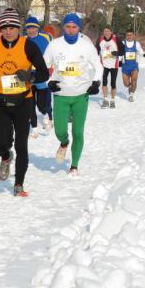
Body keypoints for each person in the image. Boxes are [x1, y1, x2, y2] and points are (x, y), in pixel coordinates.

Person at [0, 8, 49, 196]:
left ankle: (19, 184)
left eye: (12, 27)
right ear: (0, 29)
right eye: (4, 27)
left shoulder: (28, 46)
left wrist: (30, 76)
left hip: (23, 102)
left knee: (21, 144)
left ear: (19, 28)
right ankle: (5, 156)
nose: (8, 31)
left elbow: (44, 72)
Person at [43, 13, 103, 175]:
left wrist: (96, 82)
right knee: (59, 131)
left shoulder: (86, 46)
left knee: (78, 132)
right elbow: (43, 66)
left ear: (79, 28)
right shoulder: (54, 45)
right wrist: (49, 81)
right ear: (63, 28)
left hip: (80, 95)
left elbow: (98, 66)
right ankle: (64, 142)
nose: (70, 30)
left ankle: (74, 166)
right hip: (61, 95)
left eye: (74, 27)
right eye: (68, 27)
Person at [25, 16, 53, 133]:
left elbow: (54, 53)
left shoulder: (46, 37)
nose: (31, 31)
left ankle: (47, 115)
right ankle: (35, 128)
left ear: (37, 28)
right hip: (28, 76)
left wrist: (53, 70)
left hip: (42, 74)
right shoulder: (23, 39)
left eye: (33, 28)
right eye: (28, 28)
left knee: (42, 103)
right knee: (30, 103)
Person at [95, 26, 124, 108]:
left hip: (114, 65)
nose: (106, 33)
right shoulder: (100, 40)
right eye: (105, 31)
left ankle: (113, 100)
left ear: (111, 32)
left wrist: (117, 53)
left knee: (113, 83)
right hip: (104, 65)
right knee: (104, 82)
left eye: (108, 31)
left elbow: (123, 50)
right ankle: (105, 100)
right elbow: (95, 50)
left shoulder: (116, 39)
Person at [121, 29, 145, 102]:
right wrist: (119, 59)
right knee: (126, 84)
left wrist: (144, 54)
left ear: (133, 35)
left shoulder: (136, 43)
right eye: (128, 35)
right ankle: (130, 87)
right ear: (125, 36)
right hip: (125, 67)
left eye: (131, 35)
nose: (129, 36)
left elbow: (140, 51)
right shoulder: (123, 43)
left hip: (134, 66)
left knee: (134, 80)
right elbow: (119, 53)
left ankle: (131, 95)